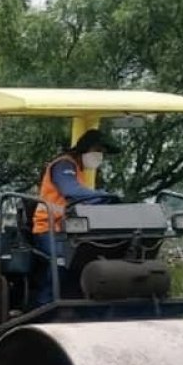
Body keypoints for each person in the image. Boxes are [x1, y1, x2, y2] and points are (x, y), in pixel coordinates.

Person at [31, 128, 121, 305]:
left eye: (103, 153)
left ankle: (82, 308)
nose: (100, 156)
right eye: (98, 150)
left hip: (69, 231)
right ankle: (44, 309)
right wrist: (104, 196)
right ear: (85, 148)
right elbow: (72, 192)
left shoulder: (79, 171)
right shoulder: (63, 165)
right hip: (49, 229)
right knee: (61, 263)